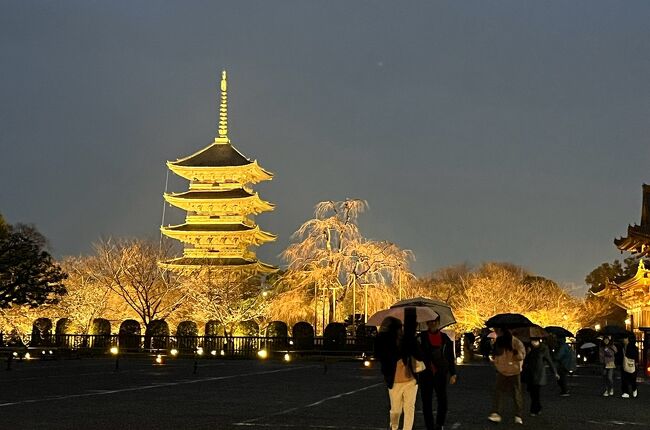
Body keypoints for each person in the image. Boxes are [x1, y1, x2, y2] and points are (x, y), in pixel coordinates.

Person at [375, 312, 422, 430]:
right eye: (399, 328)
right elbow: (388, 355)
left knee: (408, 408)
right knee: (396, 409)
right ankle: (394, 427)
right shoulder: (386, 343)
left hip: (410, 379)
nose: (401, 330)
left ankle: (403, 428)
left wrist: (411, 339)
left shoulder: (407, 340)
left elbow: (419, 354)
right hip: (395, 380)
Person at [418, 316, 457, 430]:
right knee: (426, 401)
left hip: (440, 373)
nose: (433, 323)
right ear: (427, 323)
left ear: (438, 322)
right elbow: (417, 354)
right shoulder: (421, 337)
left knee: (442, 400)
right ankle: (429, 425)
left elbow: (450, 357)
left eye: (435, 321)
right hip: (426, 373)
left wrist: (453, 373)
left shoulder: (445, 338)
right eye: (430, 321)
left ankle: (440, 423)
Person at [488, 328, 526, 425]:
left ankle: (518, 415)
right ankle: (497, 413)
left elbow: (521, 356)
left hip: (513, 371)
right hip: (504, 370)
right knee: (500, 392)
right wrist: (497, 362)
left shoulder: (516, 343)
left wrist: (515, 352)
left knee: (515, 393)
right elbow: (495, 355)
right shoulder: (500, 342)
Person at [522, 338, 559, 416]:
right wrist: (527, 353)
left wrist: (555, 372)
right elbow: (525, 361)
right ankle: (538, 407)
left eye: (534, 341)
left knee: (535, 392)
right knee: (532, 392)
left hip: (539, 374)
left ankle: (533, 410)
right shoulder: (528, 348)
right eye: (531, 341)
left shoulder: (543, 349)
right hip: (530, 373)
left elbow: (549, 361)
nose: (532, 343)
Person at [620, 334, 639, 398]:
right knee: (624, 379)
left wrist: (636, 363)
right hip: (624, 364)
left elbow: (635, 356)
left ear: (628, 339)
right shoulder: (622, 346)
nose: (624, 340)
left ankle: (634, 389)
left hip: (632, 365)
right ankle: (626, 392)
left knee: (632, 378)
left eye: (625, 338)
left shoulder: (633, 347)